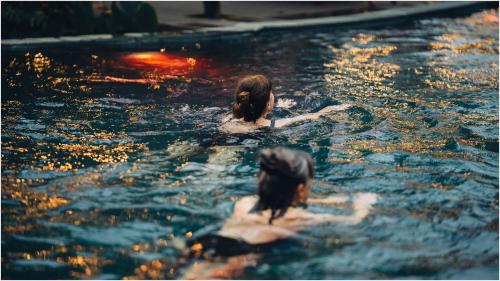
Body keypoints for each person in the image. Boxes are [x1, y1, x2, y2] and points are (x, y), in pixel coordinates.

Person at [179, 147, 378, 279]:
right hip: (238, 255)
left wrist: (337, 199)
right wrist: (364, 203)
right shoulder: (299, 218)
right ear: (300, 189)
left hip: (207, 241)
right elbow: (353, 220)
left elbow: (290, 198)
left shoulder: (245, 202)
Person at [219, 75, 351, 134]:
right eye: (271, 92)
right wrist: (336, 108)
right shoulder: (274, 124)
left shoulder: (229, 118)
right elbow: (312, 116)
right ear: (268, 105)